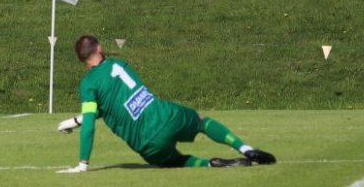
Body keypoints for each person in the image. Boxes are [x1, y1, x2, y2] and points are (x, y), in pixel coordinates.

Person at [57, 34, 276, 173]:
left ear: (81, 60)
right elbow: (111, 103)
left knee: (172, 161)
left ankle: (210, 164)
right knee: (201, 121)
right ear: (100, 47)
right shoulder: (119, 63)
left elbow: (94, 120)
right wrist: (77, 120)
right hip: (166, 116)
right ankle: (246, 149)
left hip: (146, 142)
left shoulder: (88, 84)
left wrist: (83, 164)